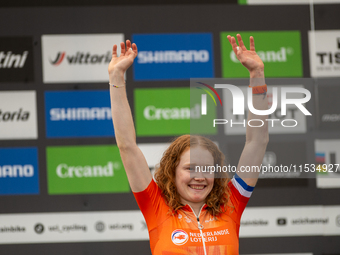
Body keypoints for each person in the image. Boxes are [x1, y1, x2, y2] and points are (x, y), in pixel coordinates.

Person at [108, 34, 269, 255]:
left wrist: (257, 75)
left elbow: (257, 142)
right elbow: (127, 145)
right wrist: (116, 76)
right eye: (190, 168)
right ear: (172, 171)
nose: (200, 176)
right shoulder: (156, 206)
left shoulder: (230, 204)